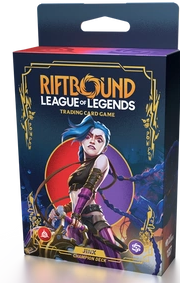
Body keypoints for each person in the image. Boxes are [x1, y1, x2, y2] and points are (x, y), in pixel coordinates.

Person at [49, 115, 126, 270]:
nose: (92, 141)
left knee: (112, 265)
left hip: (94, 222)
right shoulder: (81, 168)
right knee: (80, 266)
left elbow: (88, 190)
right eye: (89, 136)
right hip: (77, 224)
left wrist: (76, 215)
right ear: (82, 140)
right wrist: (63, 209)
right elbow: (77, 198)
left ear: (104, 148)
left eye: (99, 139)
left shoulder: (102, 159)